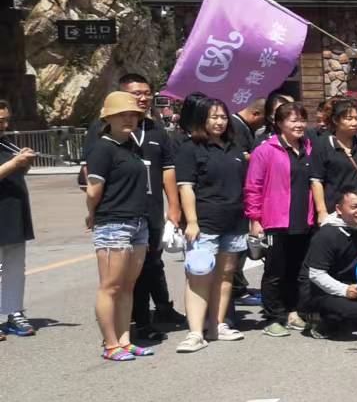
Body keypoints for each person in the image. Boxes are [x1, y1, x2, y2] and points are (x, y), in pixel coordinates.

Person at [173, 96, 249, 352]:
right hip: (205, 222)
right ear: (201, 120)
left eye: (223, 117)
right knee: (199, 275)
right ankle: (195, 332)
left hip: (235, 222)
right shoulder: (190, 147)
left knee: (226, 276)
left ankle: (217, 325)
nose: (220, 122)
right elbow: (186, 187)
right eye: (213, 117)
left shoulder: (234, 148)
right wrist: (192, 221)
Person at [85, 91, 157, 360]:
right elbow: (93, 190)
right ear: (108, 118)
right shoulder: (102, 148)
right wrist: (91, 214)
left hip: (138, 222)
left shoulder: (131, 146)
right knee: (111, 286)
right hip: (113, 222)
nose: (129, 119)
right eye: (122, 115)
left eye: (133, 115)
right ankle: (110, 343)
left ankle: (125, 340)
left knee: (128, 286)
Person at [245, 102, 317, 337]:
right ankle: (274, 317)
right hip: (276, 219)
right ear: (278, 123)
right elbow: (253, 187)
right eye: (293, 120)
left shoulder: (309, 147)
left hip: (304, 218)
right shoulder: (265, 150)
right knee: (275, 271)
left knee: (298, 269)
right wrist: (255, 219)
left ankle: (293, 312)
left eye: (302, 120)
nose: (299, 125)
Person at [299, 187, 357, 339]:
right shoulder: (327, 234)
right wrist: (344, 290)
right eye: (354, 206)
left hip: (352, 280)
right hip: (320, 291)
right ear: (339, 209)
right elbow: (316, 274)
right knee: (356, 313)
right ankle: (318, 320)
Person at [0, 98, 36, 338]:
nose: (4, 125)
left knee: (15, 267)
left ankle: (14, 312)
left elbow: (15, 171)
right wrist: (15, 163)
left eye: (6, 120)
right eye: (0, 121)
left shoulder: (5, 142)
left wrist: (24, 162)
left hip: (13, 212)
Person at [310, 97, 357, 222]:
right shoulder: (323, 145)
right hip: (334, 212)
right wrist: (321, 211)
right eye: (349, 118)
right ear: (336, 120)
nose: (354, 123)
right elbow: (316, 181)